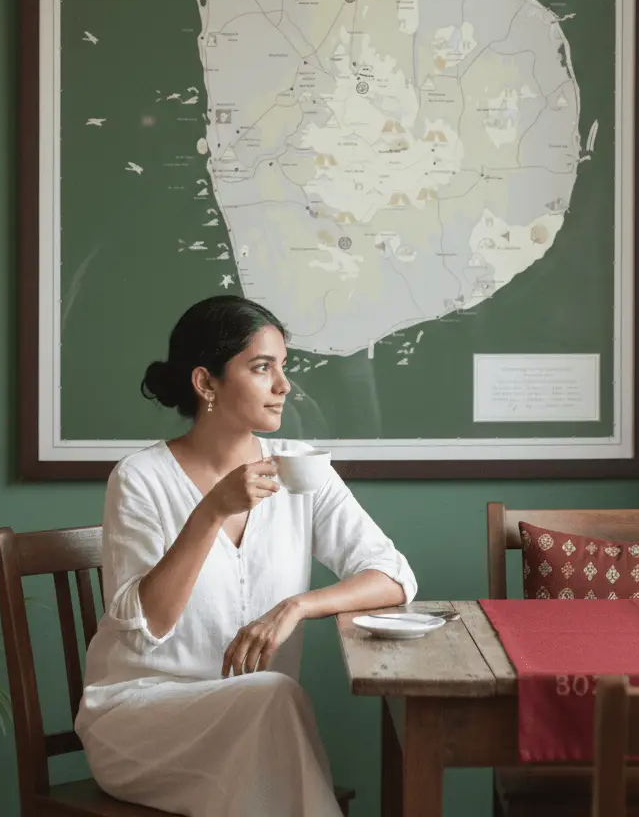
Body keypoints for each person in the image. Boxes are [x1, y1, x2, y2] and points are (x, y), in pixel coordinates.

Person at [76, 294, 417, 817]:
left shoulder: (301, 472)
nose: (284, 386)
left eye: (284, 368)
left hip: (253, 726)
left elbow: (393, 576)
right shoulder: (140, 478)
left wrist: (296, 607)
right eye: (262, 368)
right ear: (206, 383)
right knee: (273, 701)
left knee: (266, 721)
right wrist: (210, 512)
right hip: (142, 723)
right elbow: (148, 625)